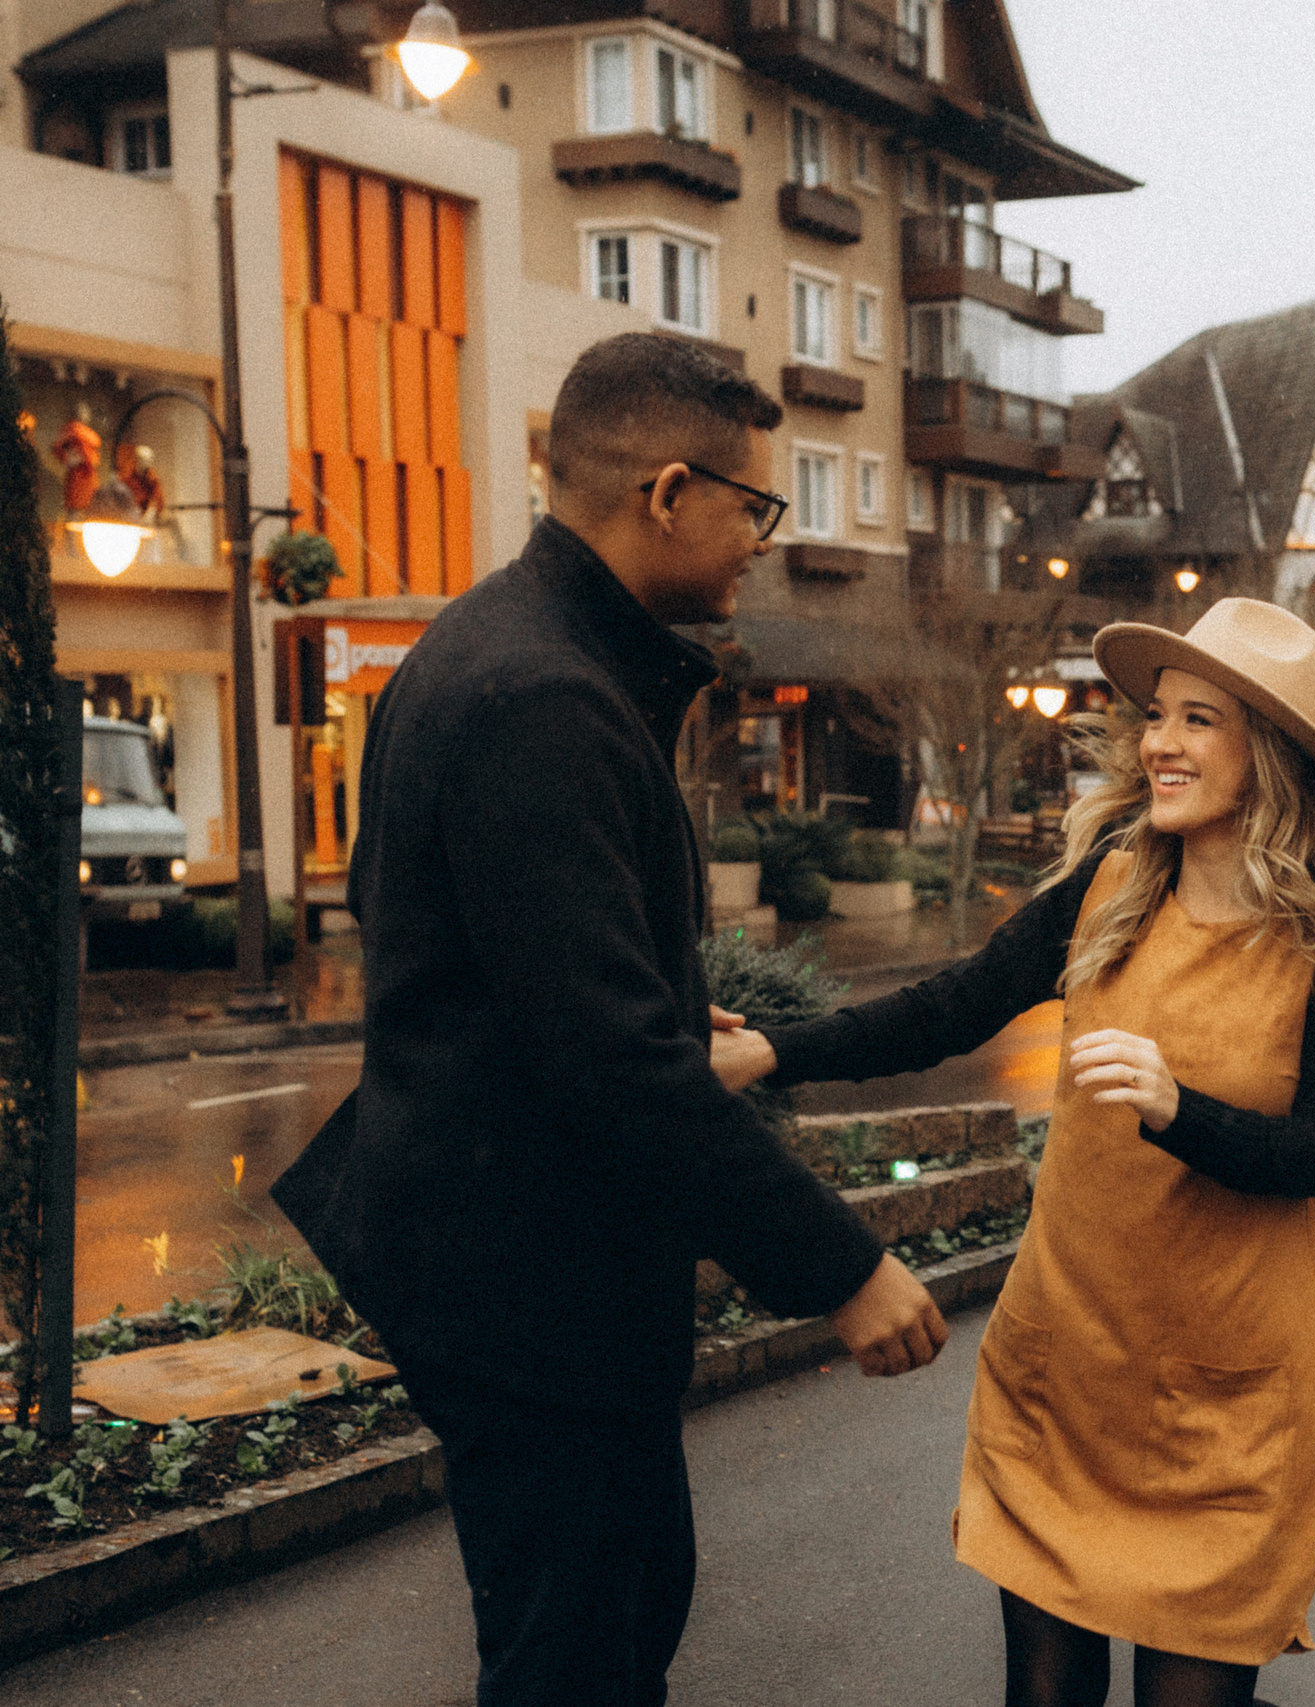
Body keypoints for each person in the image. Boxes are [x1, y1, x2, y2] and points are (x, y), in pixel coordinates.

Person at [273, 332, 947, 1707]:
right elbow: (608, 1062)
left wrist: (618, 975)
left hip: (513, 1253)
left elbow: (430, 925)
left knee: (621, 1603)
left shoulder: (485, 646)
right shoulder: (543, 693)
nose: (763, 537)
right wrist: (840, 1265)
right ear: (664, 491)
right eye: (754, 504)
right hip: (529, 1272)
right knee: (579, 1652)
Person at [717, 598, 1315, 1707]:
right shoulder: (1106, 893)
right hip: (1066, 1376)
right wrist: (770, 1054)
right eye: (1158, 717)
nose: (1160, 744)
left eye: (1200, 722)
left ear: (1268, 755)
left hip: (1224, 1414)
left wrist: (1182, 1110)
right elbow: (949, 1009)